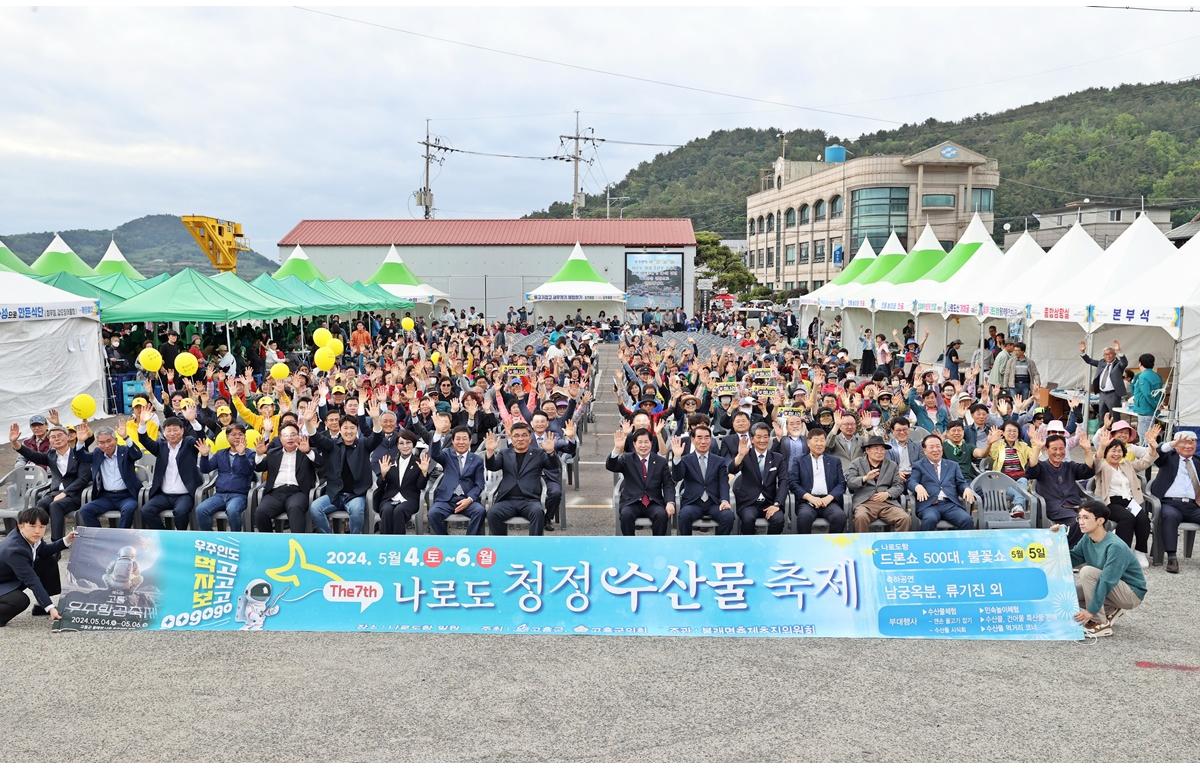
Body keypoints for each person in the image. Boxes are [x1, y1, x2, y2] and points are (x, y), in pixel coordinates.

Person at [1052, 500, 1147, 639]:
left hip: (1131, 593)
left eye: (1086, 517)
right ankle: (1109, 609)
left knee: (1087, 572)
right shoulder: (1087, 538)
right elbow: (1070, 560)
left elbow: (1107, 581)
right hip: (1113, 588)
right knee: (1066, 595)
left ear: (1100, 521)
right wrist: (1057, 539)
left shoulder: (1115, 546)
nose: (1080, 521)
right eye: (1079, 517)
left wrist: (1090, 612)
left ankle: (1101, 623)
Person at [307, 409, 384, 535]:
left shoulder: (363, 444)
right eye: (345, 428)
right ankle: (329, 540)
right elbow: (316, 437)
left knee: (357, 510)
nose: (349, 431)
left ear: (356, 429)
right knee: (315, 508)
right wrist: (306, 421)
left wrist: (375, 419)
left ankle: (353, 542)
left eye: (352, 428)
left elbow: (377, 437)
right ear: (340, 429)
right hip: (334, 495)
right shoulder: (332, 445)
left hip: (356, 495)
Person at [1091, 427, 1160, 567]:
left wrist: (1152, 447)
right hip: (1110, 502)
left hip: (1129, 501)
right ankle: (1122, 554)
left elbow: (1144, 462)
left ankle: (1140, 552)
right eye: (1113, 450)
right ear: (1106, 452)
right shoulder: (1102, 466)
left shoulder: (1126, 465)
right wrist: (1102, 446)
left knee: (1143, 519)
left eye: (1119, 451)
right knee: (1127, 518)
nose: (1116, 454)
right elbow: (1095, 462)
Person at [10, 421, 88, 541]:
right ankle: (34, 541)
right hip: (55, 494)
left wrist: (65, 493)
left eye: (59, 435)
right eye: (53, 437)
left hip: (75, 494)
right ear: (50, 441)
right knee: (40, 505)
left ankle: (56, 544)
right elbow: (32, 455)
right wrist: (15, 443)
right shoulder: (51, 455)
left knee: (55, 506)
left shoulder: (79, 454)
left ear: (67, 437)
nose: (56, 439)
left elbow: (83, 479)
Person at [0, 508, 77, 626]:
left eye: (42, 526)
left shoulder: (28, 535)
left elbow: (44, 551)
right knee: (20, 600)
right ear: (20, 526)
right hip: (3, 583)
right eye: (32, 526)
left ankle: (42, 606)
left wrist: (66, 540)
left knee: (48, 560)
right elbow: (32, 580)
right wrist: (50, 607)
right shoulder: (14, 550)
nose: (37, 531)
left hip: (9, 578)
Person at [484, 423, 558, 536]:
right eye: (516, 436)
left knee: (538, 513)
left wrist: (550, 452)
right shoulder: (505, 453)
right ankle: (501, 546)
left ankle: (534, 547)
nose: (520, 439)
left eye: (524, 435)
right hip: (507, 500)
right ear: (511, 438)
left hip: (530, 500)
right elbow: (492, 467)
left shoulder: (538, 453)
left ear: (530, 438)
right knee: (493, 513)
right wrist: (489, 452)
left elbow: (552, 466)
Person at [1024, 433, 1095, 546]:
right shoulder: (1042, 466)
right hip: (1055, 508)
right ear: (1047, 450)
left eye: (1061, 449)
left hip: (1075, 506)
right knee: (1079, 522)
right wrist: (1037, 448)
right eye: (1054, 449)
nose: (1058, 452)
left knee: (1097, 518)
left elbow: (1087, 471)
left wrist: (1087, 450)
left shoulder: (1069, 466)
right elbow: (1031, 471)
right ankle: (1067, 551)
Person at [138, 413, 203, 531]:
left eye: (175, 430)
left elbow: (201, 439)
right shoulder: (160, 446)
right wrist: (142, 423)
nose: (172, 433)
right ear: (164, 433)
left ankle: (180, 536)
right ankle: (165, 535)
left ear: (182, 431)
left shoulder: (188, 443)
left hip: (185, 495)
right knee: (146, 511)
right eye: (169, 430)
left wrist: (193, 421)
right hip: (164, 495)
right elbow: (144, 439)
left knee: (180, 512)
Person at [607, 427, 676, 536]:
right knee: (626, 515)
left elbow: (668, 484)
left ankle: (657, 547)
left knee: (661, 515)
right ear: (634, 444)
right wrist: (616, 449)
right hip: (631, 502)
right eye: (640, 442)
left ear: (651, 443)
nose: (643, 446)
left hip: (654, 502)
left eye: (646, 442)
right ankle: (630, 547)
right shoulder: (627, 459)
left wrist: (670, 502)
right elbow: (611, 466)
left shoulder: (660, 462)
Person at [1149, 430, 1200, 574]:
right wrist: (1171, 444)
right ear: (1176, 445)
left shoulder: (1197, 461)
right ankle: (1172, 557)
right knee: (1170, 516)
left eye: (1192, 442)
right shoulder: (1168, 457)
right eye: (1184, 442)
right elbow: (1158, 452)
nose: (1189, 445)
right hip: (1170, 503)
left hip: (1193, 505)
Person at [75, 422, 142, 529]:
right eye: (101, 442)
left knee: (128, 509)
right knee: (85, 510)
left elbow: (137, 454)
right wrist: (80, 441)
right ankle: (101, 539)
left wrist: (126, 437)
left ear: (115, 440)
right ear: (97, 444)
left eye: (109, 441)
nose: (106, 445)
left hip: (126, 496)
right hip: (106, 497)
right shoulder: (98, 453)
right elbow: (81, 457)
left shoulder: (124, 451)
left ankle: (119, 539)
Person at [253, 425, 319, 533]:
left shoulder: (306, 452)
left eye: (293, 435)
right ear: (280, 438)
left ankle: (296, 545)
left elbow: (320, 464)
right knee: (261, 512)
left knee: (295, 508)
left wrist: (308, 452)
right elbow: (259, 467)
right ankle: (268, 543)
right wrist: (259, 455)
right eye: (286, 435)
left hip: (298, 492)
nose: (290, 438)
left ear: (299, 436)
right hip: (275, 493)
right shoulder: (273, 453)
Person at [670, 425, 732, 535]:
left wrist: (724, 500)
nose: (703, 441)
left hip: (714, 503)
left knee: (728, 516)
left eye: (707, 437)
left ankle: (721, 546)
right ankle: (687, 545)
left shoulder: (719, 461)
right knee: (684, 515)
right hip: (693, 503)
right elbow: (677, 477)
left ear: (711, 439)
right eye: (699, 437)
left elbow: (723, 483)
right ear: (693, 440)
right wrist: (677, 457)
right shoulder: (685, 459)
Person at [427, 422, 487, 535]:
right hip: (447, 499)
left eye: (464, 439)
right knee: (433, 513)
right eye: (458, 439)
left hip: (467, 499)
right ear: (453, 441)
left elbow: (479, 483)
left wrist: (469, 499)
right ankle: (446, 541)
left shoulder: (477, 460)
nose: (461, 442)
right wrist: (438, 433)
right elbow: (435, 454)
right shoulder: (447, 454)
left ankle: (469, 542)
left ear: (470, 441)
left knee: (480, 511)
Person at [194, 424, 256, 531]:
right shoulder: (220, 454)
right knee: (201, 509)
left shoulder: (250, 454)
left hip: (239, 495)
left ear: (245, 437)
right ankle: (211, 539)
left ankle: (235, 538)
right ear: (227, 437)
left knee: (232, 510)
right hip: (219, 495)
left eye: (240, 434)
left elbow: (247, 471)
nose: (237, 437)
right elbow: (205, 469)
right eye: (233, 434)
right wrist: (204, 456)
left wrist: (241, 455)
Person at [908, 434, 976, 530]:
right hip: (929, 505)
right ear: (924, 450)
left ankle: (964, 545)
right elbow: (911, 481)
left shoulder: (953, 465)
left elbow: (961, 483)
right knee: (929, 519)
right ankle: (926, 545)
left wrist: (966, 488)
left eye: (938, 446)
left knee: (967, 519)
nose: (935, 450)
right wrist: (917, 486)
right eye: (931, 447)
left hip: (950, 504)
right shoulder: (919, 465)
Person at [730, 422, 788, 535]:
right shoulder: (745, 455)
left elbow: (784, 482)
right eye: (759, 437)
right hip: (749, 503)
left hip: (770, 502)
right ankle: (749, 547)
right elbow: (732, 470)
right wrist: (740, 456)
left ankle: (770, 547)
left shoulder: (777, 458)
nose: (762, 440)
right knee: (748, 519)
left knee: (778, 519)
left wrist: (777, 504)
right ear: (752, 439)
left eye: (765, 437)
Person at [789, 427, 847, 534]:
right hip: (808, 502)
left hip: (829, 501)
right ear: (808, 443)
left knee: (839, 517)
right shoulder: (799, 461)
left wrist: (829, 498)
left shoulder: (835, 461)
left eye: (822, 440)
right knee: (804, 517)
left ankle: (832, 547)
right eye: (816, 440)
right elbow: (793, 483)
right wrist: (810, 497)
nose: (819, 444)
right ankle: (805, 548)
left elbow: (841, 484)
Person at [846, 434, 909, 532]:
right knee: (860, 517)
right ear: (867, 450)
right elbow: (850, 482)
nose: (880, 452)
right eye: (876, 449)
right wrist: (865, 478)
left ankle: (898, 546)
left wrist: (888, 493)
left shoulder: (892, 465)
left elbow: (899, 485)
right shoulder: (857, 463)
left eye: (882, 449)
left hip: (887, 503)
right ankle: (863, 546)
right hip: (865, 503)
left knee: (904, 518)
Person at [372, 430, 430, 534]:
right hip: (390, 498)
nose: (405, 446)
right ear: (397, 446)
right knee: (387, 510)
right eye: (401, 443)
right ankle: (385, 544)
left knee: (399, 510)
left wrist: (424, 472)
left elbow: (420, 486)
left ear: (413, 444)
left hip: (409, 499)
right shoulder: (390, 462)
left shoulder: (419, 463)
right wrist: (383, 474)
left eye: (408, 443)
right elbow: (380, 485)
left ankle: (399, 545)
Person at [987, 420, 1036, 518]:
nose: (1012, 433)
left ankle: (1017, 506)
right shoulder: (998, 445)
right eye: (1009, 431)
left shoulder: (1023, 446)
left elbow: (1033, 462)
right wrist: (991, 442)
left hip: (1019, 479)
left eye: (1015, 431)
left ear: (1018, 433)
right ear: (1003, 433)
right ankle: (1018, 506)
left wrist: (1033, 441)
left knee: (1023, 480)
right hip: (1001, 480)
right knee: (1021, 491)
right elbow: (992, 455)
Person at [1079, 339, 1127, 422]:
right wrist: (1083, 352)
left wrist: (1120, 351)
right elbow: (1089, 361)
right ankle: (1102, 432)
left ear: (1115, 354)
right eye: (1105, 354)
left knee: (1114, 416)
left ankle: (1115, 433)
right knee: (1102, 416)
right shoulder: (1102, 362)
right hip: (1102, 394)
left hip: (1113, 394)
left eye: (1110, 354)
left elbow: (1124, 363)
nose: (1108, 356)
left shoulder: (1118, 364)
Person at [1129, 353, 1162, 439]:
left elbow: (1147, 394)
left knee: (1144, 437)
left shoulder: (1142, 376)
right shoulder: (1157, 375)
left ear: (1140, 363)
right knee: (1149, 435)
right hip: (1151, 410)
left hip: (1145, 410)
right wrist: (1157, 406)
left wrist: (1155, 406)